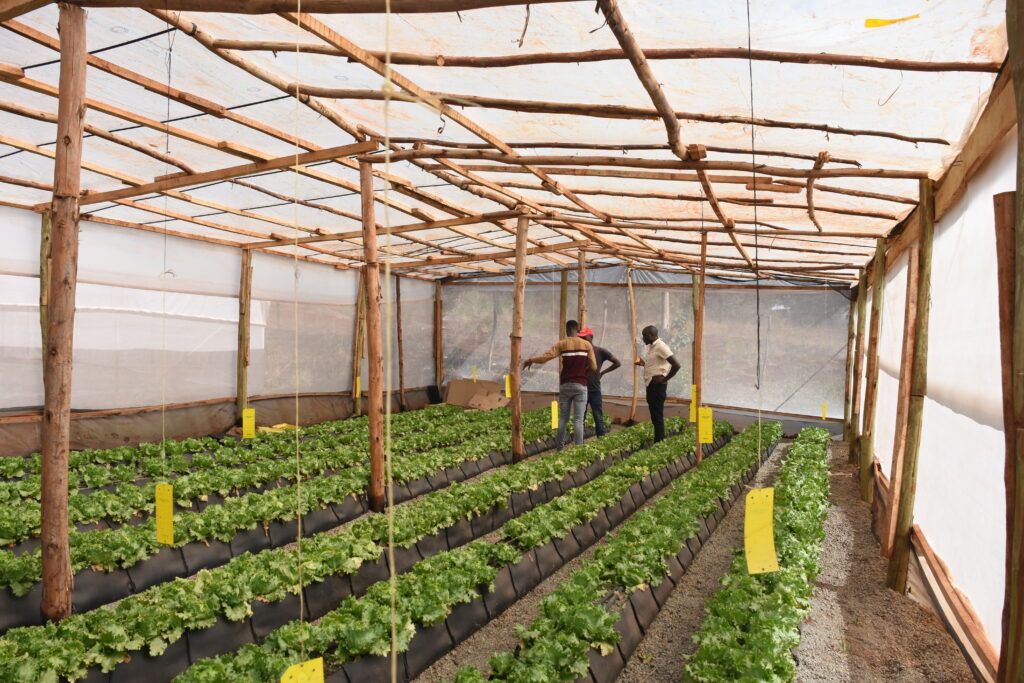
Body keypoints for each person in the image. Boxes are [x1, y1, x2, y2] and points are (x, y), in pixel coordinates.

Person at [523, 319, 597, 448]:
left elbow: (545, 357)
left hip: (565, 384)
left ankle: (559, 447)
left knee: (563, 418)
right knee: (578, 419)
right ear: (578, 330)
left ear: (566, 330)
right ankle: (579, 448)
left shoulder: (561, 344)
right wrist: (584, 371)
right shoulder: (586, 345)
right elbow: (594, 367)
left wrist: (531, 360)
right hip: (580, 385)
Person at [634, 325, 681, 442]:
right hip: (651, 385)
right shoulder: (652, 347)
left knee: (657, 415)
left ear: (651, 335)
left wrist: (665, 379)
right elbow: (657, 365)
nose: (643, 338)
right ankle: (658, 440)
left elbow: (676, 365)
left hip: (657, 386)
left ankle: (659, 441)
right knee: (655, 415)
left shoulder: (661, 346)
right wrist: (644, 364)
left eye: (644, 336)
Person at [578, 327, 620, 437]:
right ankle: (579, 443)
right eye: (580, 338)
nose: (582, 340)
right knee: (581, 417)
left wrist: (603, 372)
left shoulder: (600, 351)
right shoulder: (580, 352)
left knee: (598, 416)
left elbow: (617, 363)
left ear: (591, 337)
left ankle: (601, 441)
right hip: (581, 388)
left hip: (594, 389)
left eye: (584, 337)